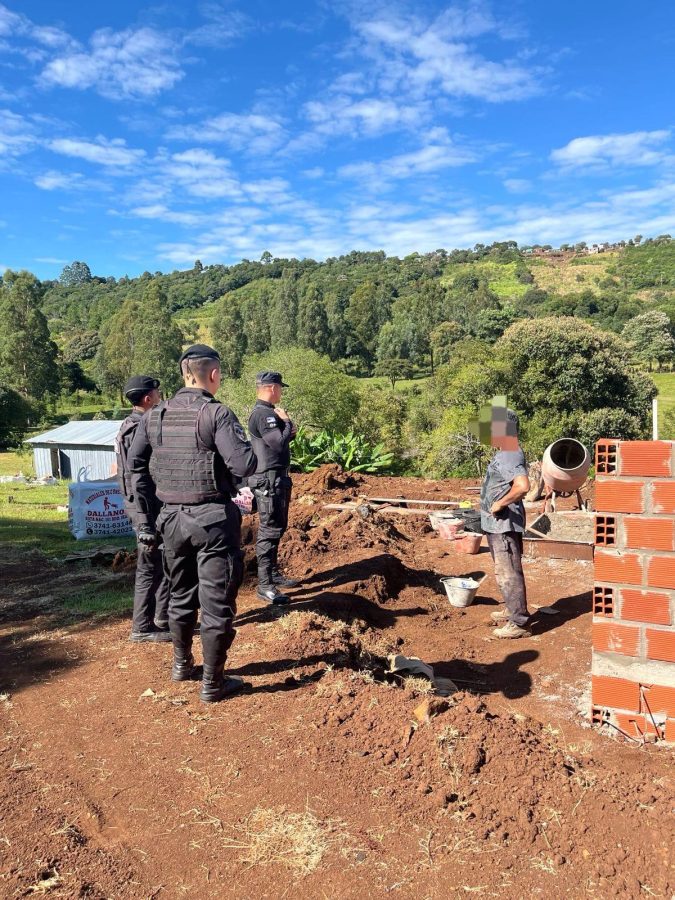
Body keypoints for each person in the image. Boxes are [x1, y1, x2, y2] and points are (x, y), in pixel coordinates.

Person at [127, 345, 257, 702]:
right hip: (213, 519)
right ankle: (213, 684)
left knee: (180, 595)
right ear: (213, 375)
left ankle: (181, 666)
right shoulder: (216, 413)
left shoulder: (154, 416)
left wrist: (146, 516)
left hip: (170, 520)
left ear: (183, 373)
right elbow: (245, 465)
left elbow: (135, 466)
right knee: (216, 604)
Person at [115, 375, 171, 643]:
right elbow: (136, 477)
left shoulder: (130, 424)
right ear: (148, 398)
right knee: (149, 565)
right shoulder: (138, 428)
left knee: (161, 562)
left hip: (147, 505)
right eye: (157, 393)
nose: (160, 397)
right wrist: (144, 521)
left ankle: (161, 617)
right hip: (144, 507)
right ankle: (141, 627)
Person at [480, 409, 531, 638]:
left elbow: (522, 486)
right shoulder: (505, 452)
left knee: (508, 571)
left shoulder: (509, 452)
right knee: (503, 570)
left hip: (504, 524)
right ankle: (512, 609)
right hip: (497, 525)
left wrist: (500, 504)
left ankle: (519, 622)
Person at [248, 371, 298, 606]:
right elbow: (278, 442)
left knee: (277, 528)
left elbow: (288, 437)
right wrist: (286, 421)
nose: (281, 391)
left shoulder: (268, 414)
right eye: (280, 387)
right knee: (269, 531)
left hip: (278, 479)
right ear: (271, 388)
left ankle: (273, 574)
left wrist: (287, 427)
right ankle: (265, 584)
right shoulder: (263, 414)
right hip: (269, 481)